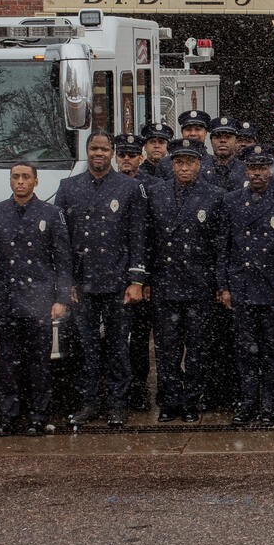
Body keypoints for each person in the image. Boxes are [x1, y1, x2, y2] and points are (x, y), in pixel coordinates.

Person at [54, 132, 148, 427]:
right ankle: (89, 402)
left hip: (117, 280)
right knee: (86, 346)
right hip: (82, 283)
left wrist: (136, 280)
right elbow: (61, 240)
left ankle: (118, 405)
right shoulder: (68, 187)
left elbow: (138, 235)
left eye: (104, 149)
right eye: (93, 148)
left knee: (119, 346)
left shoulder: (130, 187)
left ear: (112, 153)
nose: (98, 153)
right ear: (87, 150)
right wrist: (65, 281)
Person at [0, 162, 73, 436]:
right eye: (15, 177)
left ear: (35, 181)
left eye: (25, 177)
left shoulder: (51, 213)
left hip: (39, 301)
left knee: (39, 363)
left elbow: (63, 260)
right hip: (6, 300)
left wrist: (61, 299)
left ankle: (38, 416)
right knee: (8, 363)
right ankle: (9, 416)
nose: (20, 182)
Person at [145, 137, 228, 422]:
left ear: (199, 164)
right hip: (165, 282)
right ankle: (170, 401)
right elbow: (148, 241)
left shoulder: (215, 196)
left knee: (197, 348)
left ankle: (192, 400)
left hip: (199, 284)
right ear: (171, 163)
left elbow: (220, 244)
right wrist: (144, 280)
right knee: (166, 348)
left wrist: (220, 284)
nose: (183, 167)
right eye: (178, 161)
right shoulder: (155, 193)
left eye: (189, 162)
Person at [218, 145, 274, 425]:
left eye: (263, 168)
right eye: (253, 168)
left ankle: (270, 405)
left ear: (271, 170)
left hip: (272, 287)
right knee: (245, 351)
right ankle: (248, 403)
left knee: (273, 351)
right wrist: (224, 286)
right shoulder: (231, 201)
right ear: (246, 170)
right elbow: (224, 247)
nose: (258, 173)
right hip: (242, 286)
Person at [115, 133, 157, 411]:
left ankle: (139, 388)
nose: (127, 159)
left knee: (140, 336)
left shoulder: (152, 187)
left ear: (141, 158)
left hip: (141, 276)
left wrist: (146, 278)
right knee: (116, 336)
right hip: (111, 273)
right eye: (122, 155)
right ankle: (118, 387)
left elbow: (152, 236)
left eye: (132, 155)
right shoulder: (109, 185)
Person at [205, 115, 247, 191]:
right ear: (211, 141)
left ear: (236, 141)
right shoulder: (201, 169)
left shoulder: (246, 170)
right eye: (218, 137)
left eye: (228, 137)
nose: (223, 140)